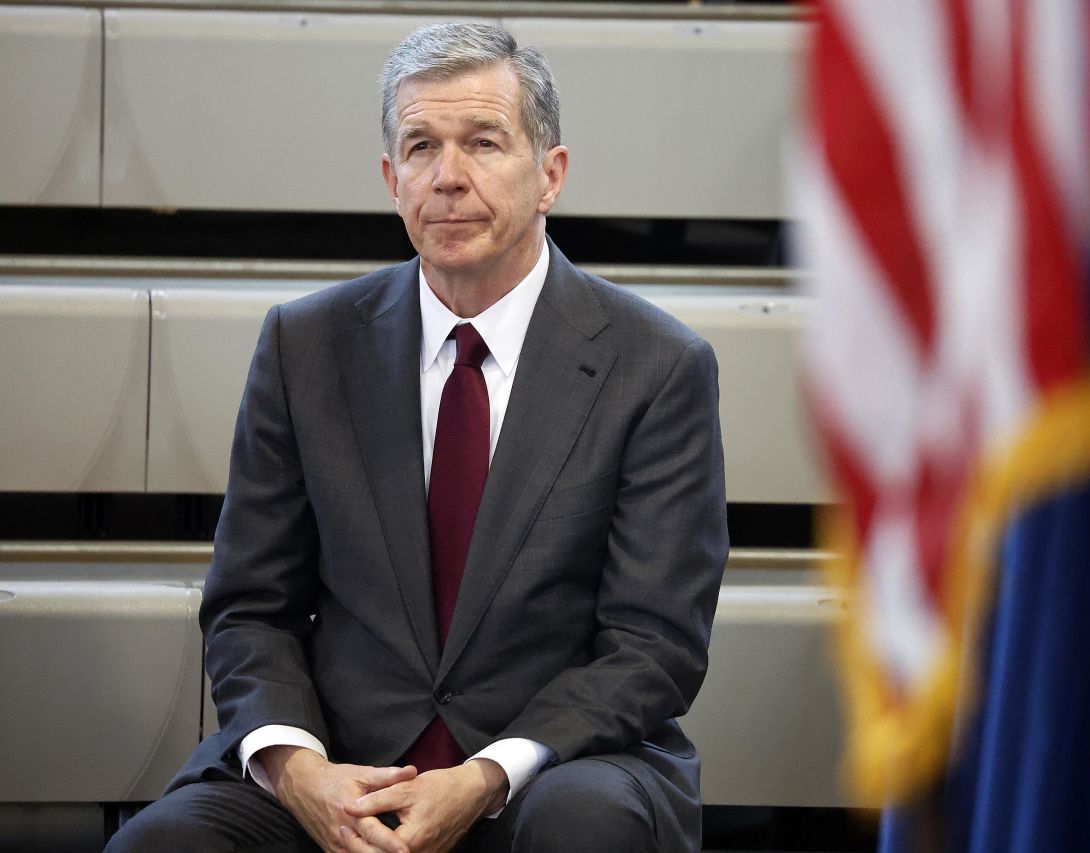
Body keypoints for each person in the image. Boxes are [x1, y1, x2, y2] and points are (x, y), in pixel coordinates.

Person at [105, 20, 728, 853]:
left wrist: (486, 774)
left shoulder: (657, 366)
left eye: (482, 142)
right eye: (422, 147)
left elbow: (653, 645)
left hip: (554, 770)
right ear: (392, 179)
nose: (449, 178)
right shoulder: (306, 345)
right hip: (344, 767)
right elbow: (252, 607)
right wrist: (301, 771)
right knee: (164, 845)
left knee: (584, 825)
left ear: (551, 175)